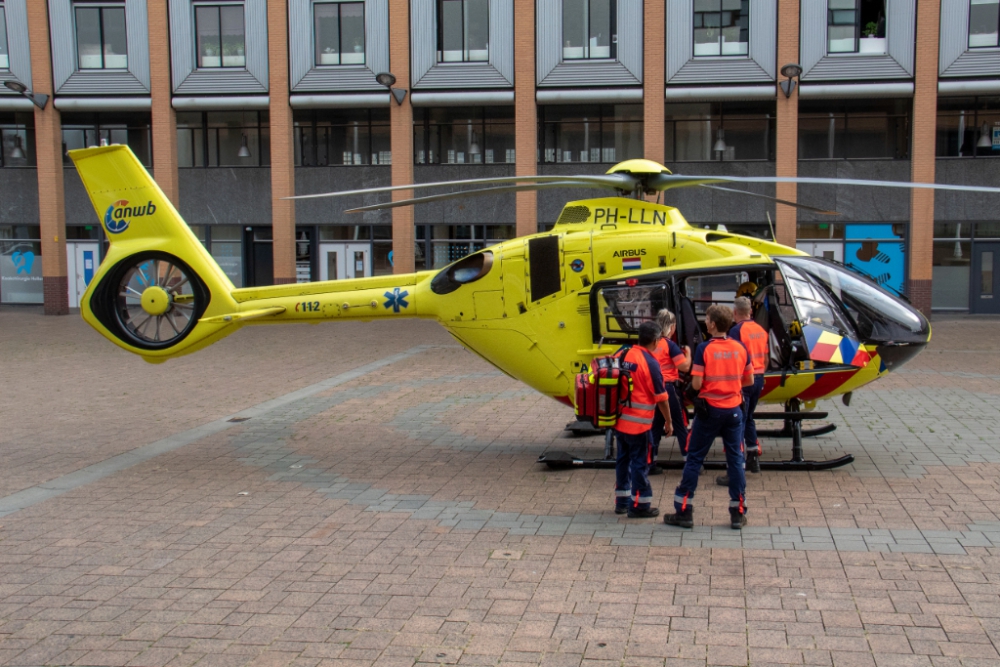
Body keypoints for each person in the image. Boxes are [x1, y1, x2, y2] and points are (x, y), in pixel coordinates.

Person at [663, 304, 753, 530]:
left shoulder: (704, 349)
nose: (705, 322)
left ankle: (684, 510)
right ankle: (737, 512)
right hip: (734, 410)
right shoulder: (741, 348)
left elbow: (696, 383)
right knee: (735, 460)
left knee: (694, 458)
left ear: (712, 324)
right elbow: (749, 380)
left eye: (707, 319)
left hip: (709, 411)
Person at [614, 321, 672, 518]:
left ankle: (621, 502)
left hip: (619, 422)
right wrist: (668, 421)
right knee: (640, 463)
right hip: (639, 426)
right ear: (655, 341)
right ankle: (640, 505)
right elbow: (661, 397)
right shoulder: (650, 363)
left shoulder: (622, 354)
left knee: (622, 460)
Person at [716, 295, 769, 486]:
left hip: (745, 379)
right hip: (760, 377)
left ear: (735, 313)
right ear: (751, 311)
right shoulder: (761, 330)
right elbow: (765, 356)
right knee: (749, 417)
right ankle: (754, 457)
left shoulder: (737, 331)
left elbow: (733, 355)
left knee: (738, 421)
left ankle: (735, 468)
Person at [648, 309, 691, 476]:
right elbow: (684, 367)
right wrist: (688, 354)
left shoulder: (650, 344)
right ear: (671, 327)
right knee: (680, 425)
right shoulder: (670, 345)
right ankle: (690, 461)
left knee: (655, 426)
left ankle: (651, 462)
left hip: (652, 390)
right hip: (668, 389)